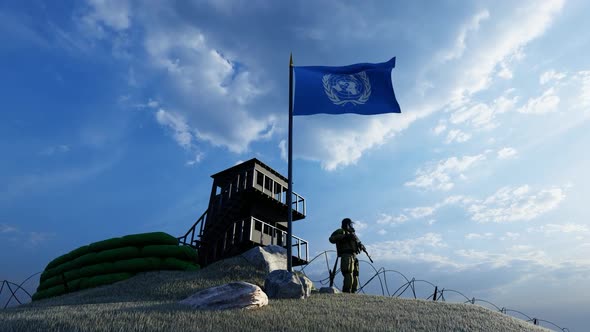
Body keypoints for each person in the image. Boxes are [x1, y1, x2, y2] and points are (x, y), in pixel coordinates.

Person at [329, 218, 364, 293]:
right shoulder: (341, 231)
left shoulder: (353, 235)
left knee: (355, 275)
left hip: (354, 256)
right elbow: (331, 239)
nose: (351, 226)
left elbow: (358, 244)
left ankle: (353, 292)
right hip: (346, 255)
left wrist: (361, 246)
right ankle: (347, 292)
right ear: (346, 225)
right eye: (350, 224)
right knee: (348, 274)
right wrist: (344, 237)